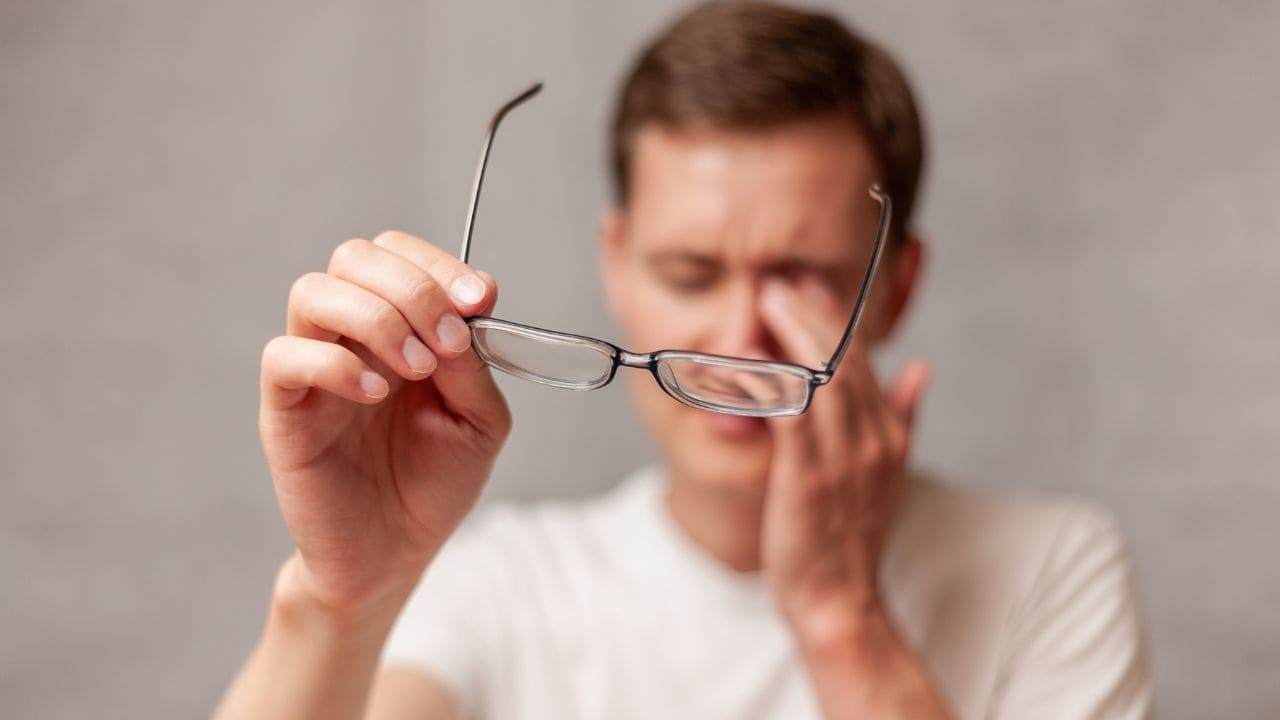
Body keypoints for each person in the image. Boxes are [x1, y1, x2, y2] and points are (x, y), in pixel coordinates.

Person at [215, 2, 1151, 718]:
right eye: (691, 272)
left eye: (799, 279)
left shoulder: (1051, 569)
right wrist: (340, 598)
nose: (739, 339)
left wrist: (839, 620)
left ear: (896, 289)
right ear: (616, 265)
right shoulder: (500, 585)